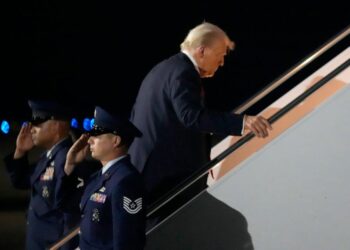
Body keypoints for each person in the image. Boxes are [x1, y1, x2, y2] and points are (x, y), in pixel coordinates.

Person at [128, 22, 272, 222]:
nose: (221, 63)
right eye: (220, 55)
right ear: (202, 50)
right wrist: (243, 122)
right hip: (166, 182)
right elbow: (191, 117)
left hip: (149, 176)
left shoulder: (163, 69)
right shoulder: (183, 72)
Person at [3, 100, 91, 250]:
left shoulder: (67, 159)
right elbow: (20, 181)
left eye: (39, 122)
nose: (32, 128)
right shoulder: (49, 156)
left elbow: (71, 216)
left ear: (58, 125)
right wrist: (20, 151)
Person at [61, 106, 146, 250]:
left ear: (116, 141)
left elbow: (127, 244)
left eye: (97, 135)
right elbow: (65, 205)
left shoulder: (126, 181)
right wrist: (70, 164)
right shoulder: (98, 177)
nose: (89, 141)